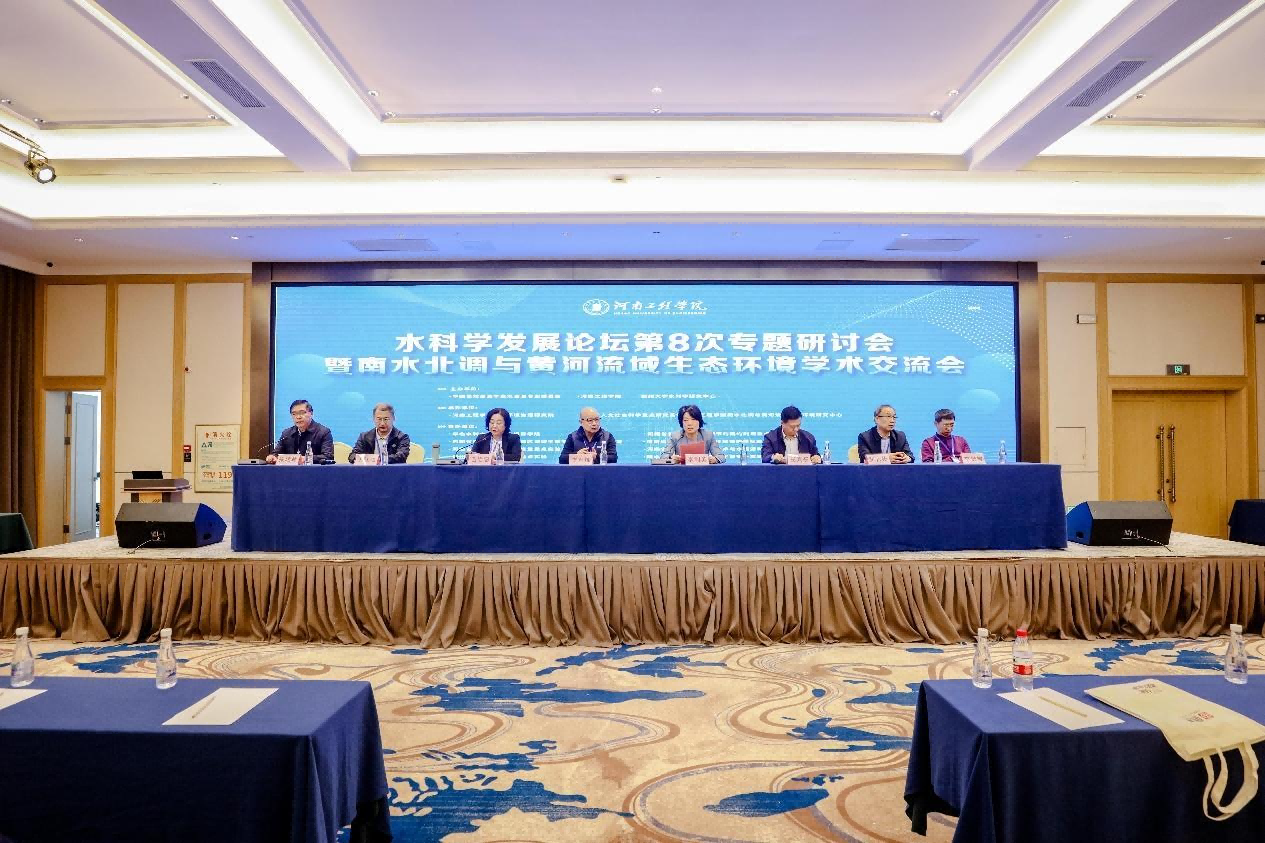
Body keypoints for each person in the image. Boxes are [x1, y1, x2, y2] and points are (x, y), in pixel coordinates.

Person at [268, 399, 334, 464]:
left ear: (311, 413)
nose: (298, 417)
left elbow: (327, 457)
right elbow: (276, 453)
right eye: (294, 414)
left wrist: (305, 458)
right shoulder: (286, 433)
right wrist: (272, 457)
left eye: (302, 413)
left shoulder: (323, 432)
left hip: (314, 470)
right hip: (290, 470)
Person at [661, 404, 725, 464]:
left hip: (703, 470)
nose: (689, 423)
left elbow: (721, 457)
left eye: (693, 419)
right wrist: (671, 458)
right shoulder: (675, 437)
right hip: (681, 470)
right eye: (686, 420)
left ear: (699, 421)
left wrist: (714, 459)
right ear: (681, 422)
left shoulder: (708, 436)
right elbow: (663, 457)